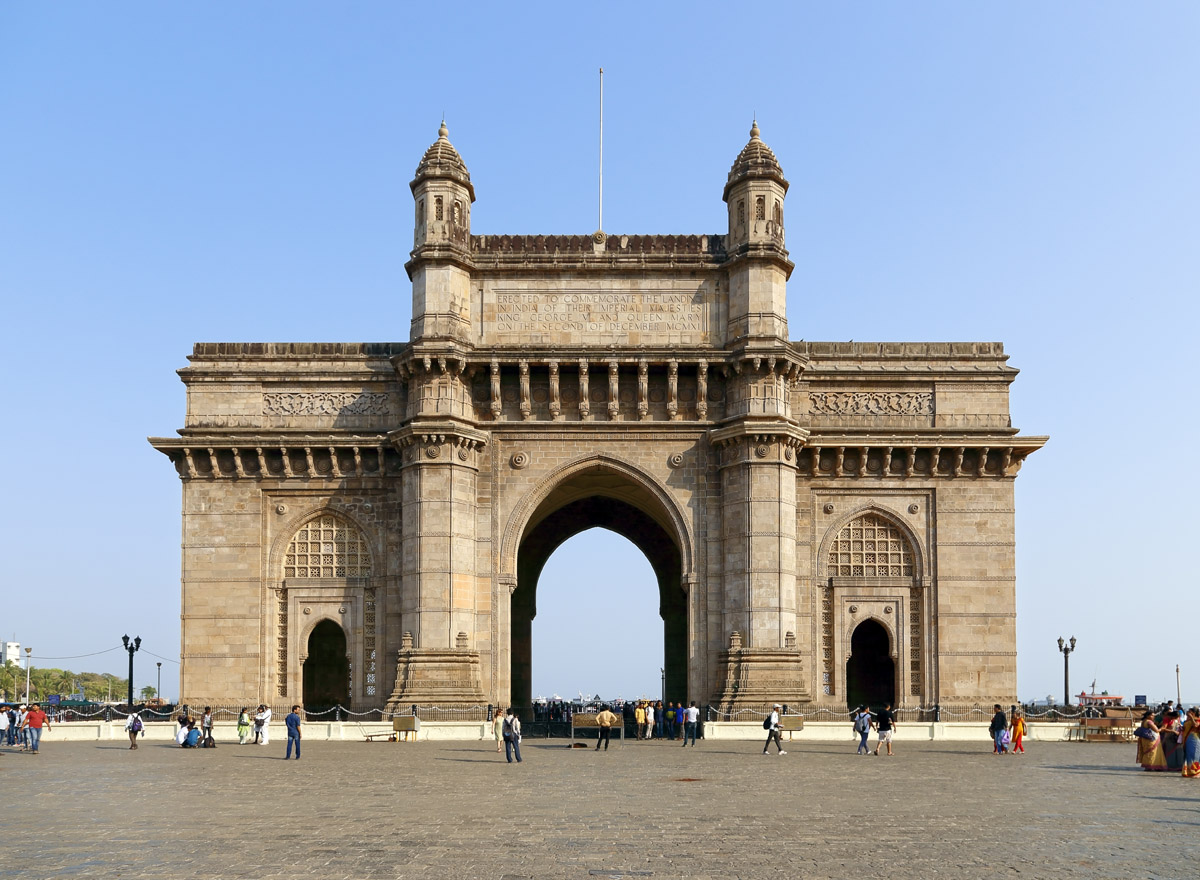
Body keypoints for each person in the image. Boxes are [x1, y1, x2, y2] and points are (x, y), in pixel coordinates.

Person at [1180, 707, 1200, 778]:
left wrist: (1191, 718)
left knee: (1194, 755)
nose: (1188, 713)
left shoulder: (1197, 719)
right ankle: (1188, 771)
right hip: (1187, 739)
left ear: (1194, 713)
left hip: (1194, 739)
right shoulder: (1187, 720)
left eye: (1190, 712)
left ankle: (1195, 772)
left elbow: (1195, 725)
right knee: (1188, 755)